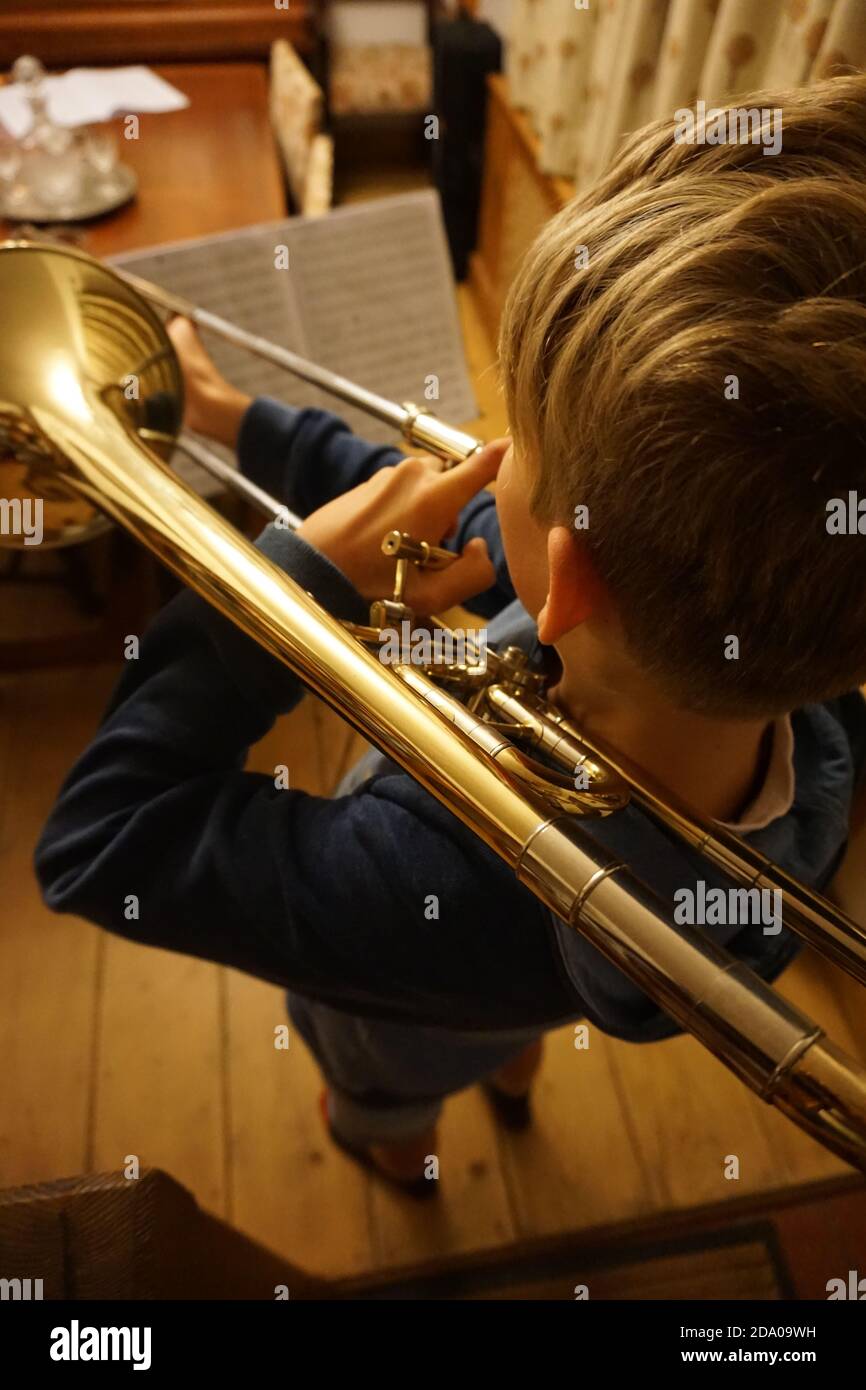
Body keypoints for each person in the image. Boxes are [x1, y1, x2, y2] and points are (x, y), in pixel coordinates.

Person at [35, 75, 866, 1192]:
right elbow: (432, 513)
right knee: (511, 1029)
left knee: (385, 1086)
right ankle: (517, 1085)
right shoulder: (803, 689)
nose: (479, 458)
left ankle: (392, 1151)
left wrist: (282, 595)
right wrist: (240, 419)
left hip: (402, 1009)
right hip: (523, 983)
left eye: (513, 438)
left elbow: (98, 841)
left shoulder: (412, 880)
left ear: (565, 579)